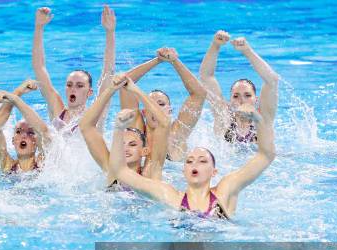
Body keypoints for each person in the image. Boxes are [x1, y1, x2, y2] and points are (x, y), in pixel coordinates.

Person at [108, 103, 276, 219]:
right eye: (189, 161)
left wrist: (259, 120)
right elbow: (121, 171)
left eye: (202, 161)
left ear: (214, 171)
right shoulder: (170, 196)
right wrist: (118, 128)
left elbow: (266, 155)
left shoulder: (225, 191)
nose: (194, 164)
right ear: (184, 171)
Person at [32, 5, 115, 131]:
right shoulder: (58, 112)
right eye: (69, 84)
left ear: (89, 93)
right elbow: (39, 68)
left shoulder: (96, 115)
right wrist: (39, 28)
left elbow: (108, 72)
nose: (73, 89)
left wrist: (110, 32)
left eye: (79, 86)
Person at [79, 75, 170, 187]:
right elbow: (85, 126)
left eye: (132, 144)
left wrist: (136, 90)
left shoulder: (150, 172)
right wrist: (111, 89)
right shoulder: (111, 169)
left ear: (144, 151)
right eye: (121, 144)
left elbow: (164, 124)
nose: (125, 148)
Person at [119, 47, 206, 161]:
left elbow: (199, 94)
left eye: (161, 104)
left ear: (170, 111)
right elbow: (123, 83)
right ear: (144, 113)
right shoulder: (137, 134)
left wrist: (175, 61)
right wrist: (157, 60)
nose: (155, 108)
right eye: (150, 104)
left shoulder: (177, 135)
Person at [200, 31, 279, 143]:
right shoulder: (223, 119)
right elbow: (206, 76)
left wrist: (247, 51)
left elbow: (272, 80)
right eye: (236, 96)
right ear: (230, 101)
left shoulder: (263, 120)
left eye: (247, 95)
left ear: (256, 99)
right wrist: (215, 45)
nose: (242, 100)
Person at [0, 80, 51, 174]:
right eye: (18, 131)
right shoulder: (6, 165)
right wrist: (18, 91)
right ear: (13, 141)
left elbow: (44, 131)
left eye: (30, 132)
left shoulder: (44, 163)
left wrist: (15, 99)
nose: (23, 136)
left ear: (37, 142)